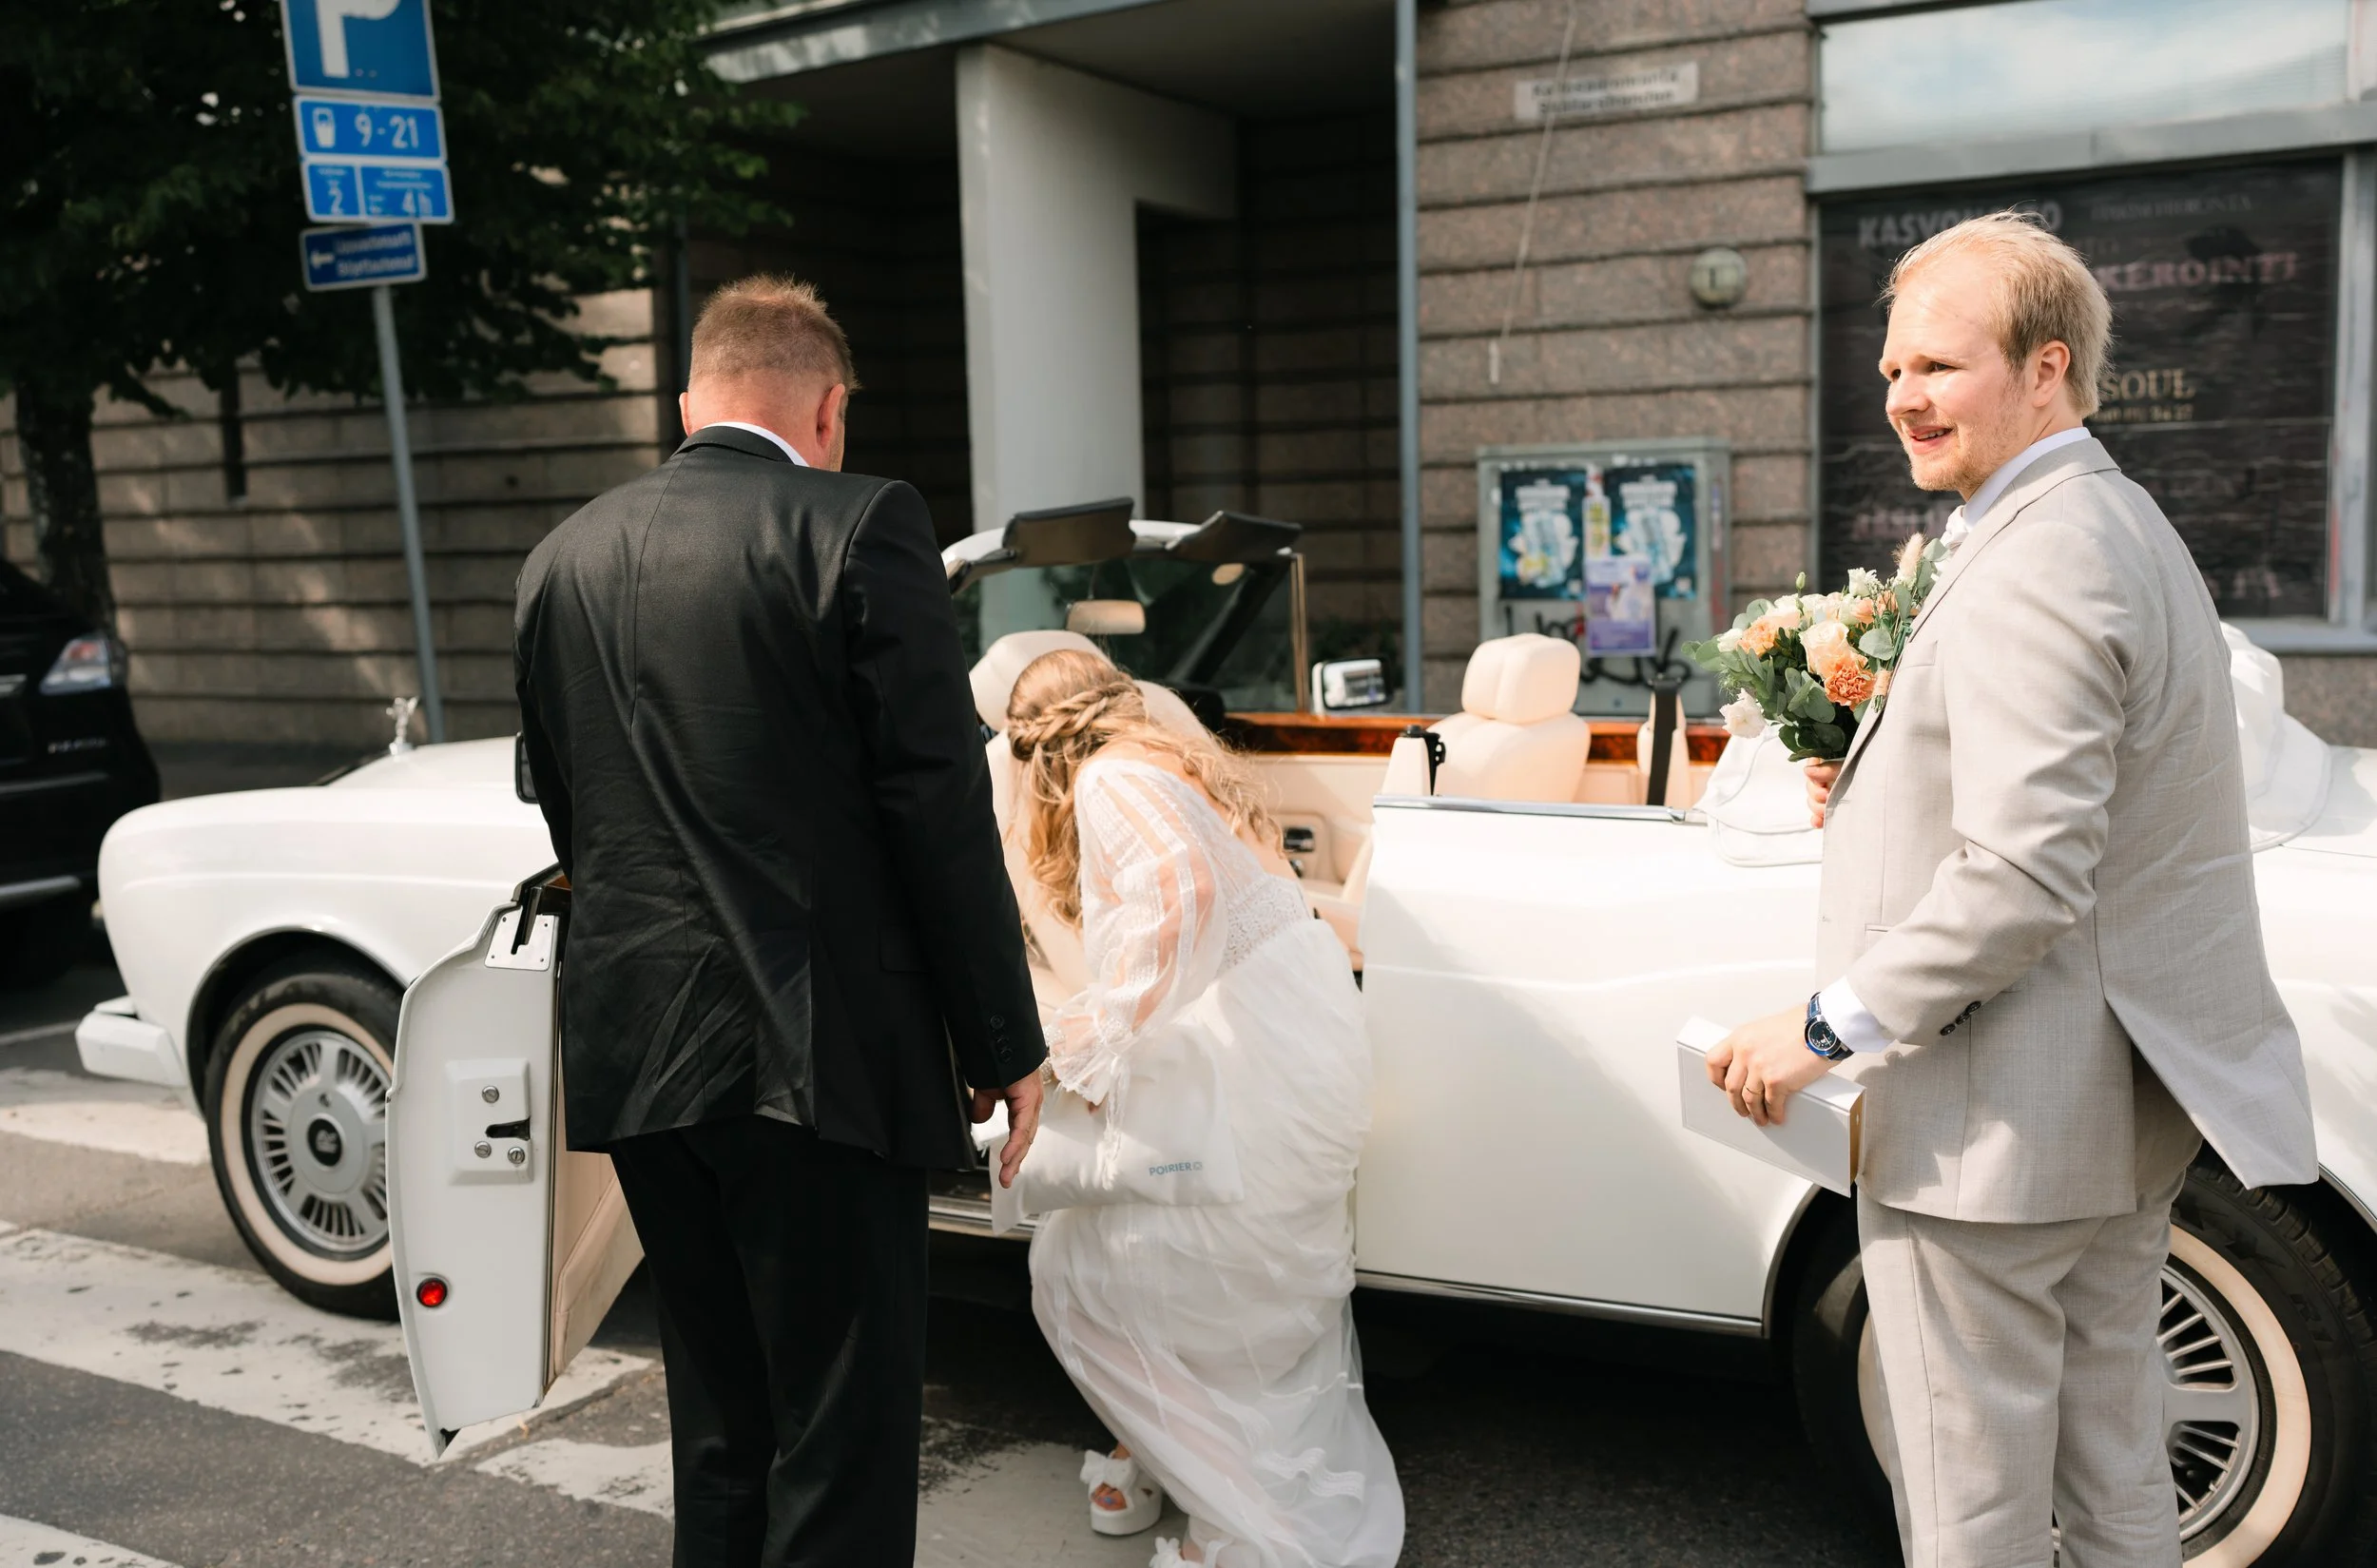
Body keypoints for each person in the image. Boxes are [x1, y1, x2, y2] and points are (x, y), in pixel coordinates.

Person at [1707, 211, 2317, 1567]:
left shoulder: (2038, 553)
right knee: (2114, 1475)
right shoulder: (2110, 518)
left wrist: (1819, 1031)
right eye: (1891, 372)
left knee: (1969, 1513)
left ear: (2047, 369)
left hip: (1988, 1138)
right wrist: (1868, 783)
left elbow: (2026, 874)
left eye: (1938, 367)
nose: (1902, 398)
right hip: (2101, 1116)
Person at [512, 273, 1045, 1567]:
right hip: (816, 1062)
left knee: (722, 1421)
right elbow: (936, 804)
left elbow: (564, 807)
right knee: (840, 1440)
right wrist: (1005, 1041)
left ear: (694, 399)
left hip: (635, 1051)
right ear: (828, 409)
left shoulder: (560, 556)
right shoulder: (863, 524)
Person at [1004, 648, 1403, 1568]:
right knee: (1220, 1284)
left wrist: (1089, 1040)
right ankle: (1155, 1455)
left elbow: (1180, 892)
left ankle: (1241, 1525)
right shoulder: (1173, 759)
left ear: (1039, 752)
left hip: (1255, 1064)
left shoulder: (1108, 779)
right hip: (1301, 1040)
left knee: (1080, 1285)